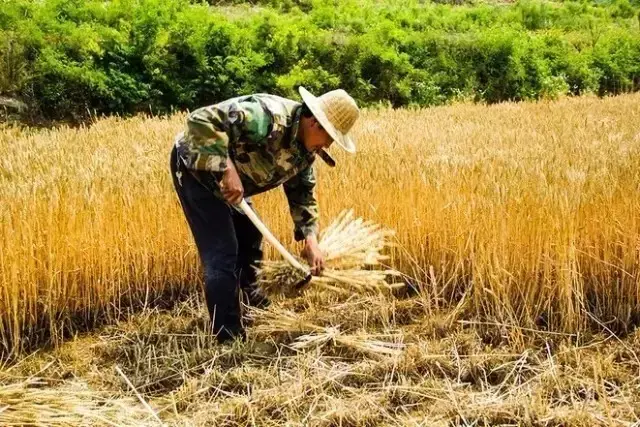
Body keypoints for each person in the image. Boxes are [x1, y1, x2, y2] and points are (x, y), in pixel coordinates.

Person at [169, 86, 360, 342]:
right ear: (315, 122)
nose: (328, 145)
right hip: (197, 171)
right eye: (330, 138)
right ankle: (229, 337)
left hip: (237, 177)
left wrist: (310, 239)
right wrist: (226, 169)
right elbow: (200, 120)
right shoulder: (267, 116)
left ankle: (253, 302)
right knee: (223, 254)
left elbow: (302, 192)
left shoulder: (305, 153)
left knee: (250, 240)